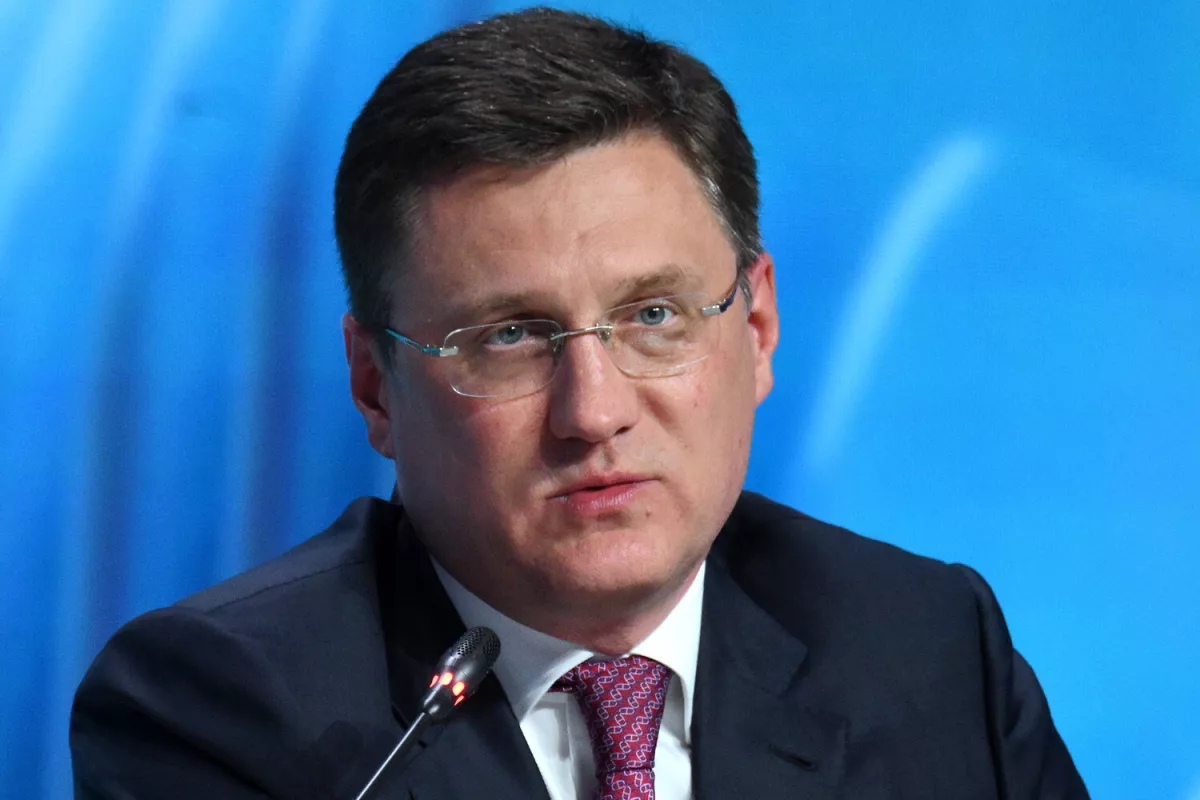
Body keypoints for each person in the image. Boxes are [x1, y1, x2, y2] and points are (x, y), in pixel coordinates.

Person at [70, 7, 1089, 799]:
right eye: (509, 336)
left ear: (756, 328)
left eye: (653, 314)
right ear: (375, 385)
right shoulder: (219, 710)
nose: (593, 413)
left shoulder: (927, 646)